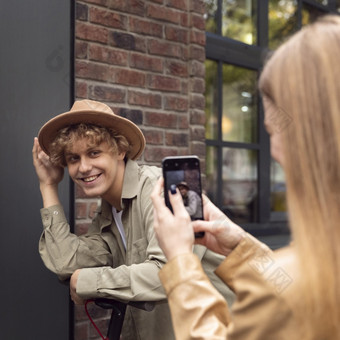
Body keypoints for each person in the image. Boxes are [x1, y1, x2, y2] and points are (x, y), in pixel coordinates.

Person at [151, 15, 340, 340]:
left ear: (307, 134)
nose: (274, 151)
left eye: (271, 130)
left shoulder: (293, 292)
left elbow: (289, 294)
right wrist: (242, 249)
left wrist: (181, 261)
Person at [32, 99, 235, 340]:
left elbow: (170, 274)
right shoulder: (109, 210)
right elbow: (65, 261)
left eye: (94, 153)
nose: (83, 167)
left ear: (120, 150)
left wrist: (88, 280)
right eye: (73, 158)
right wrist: (48, 186)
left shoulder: (163, 191)